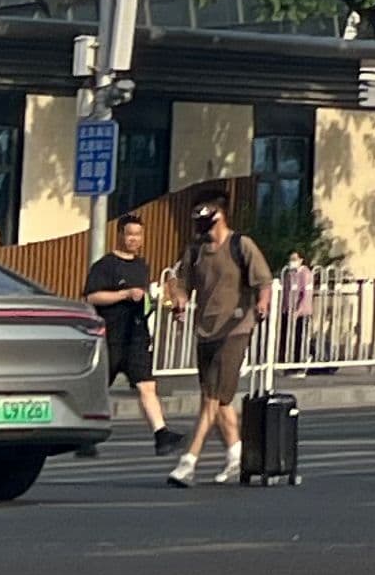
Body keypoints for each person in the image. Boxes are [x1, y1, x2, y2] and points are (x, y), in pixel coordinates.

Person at [165, 197, 271, 487]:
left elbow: (263, 281)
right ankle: (237, 455)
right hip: (206, 330)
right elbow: (184, 284)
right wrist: (180, 302)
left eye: (208, 224)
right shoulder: (195, 250)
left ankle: (188, 461)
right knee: (220, 398)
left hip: (235, 328)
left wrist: (262, 304)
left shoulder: (241, 245)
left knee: (210, 398)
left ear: (221, 217)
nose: (204, 231)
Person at [83, 211, 172, 452]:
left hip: (136, 336)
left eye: (138, 234)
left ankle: (161, 434)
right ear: (120, 235)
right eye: (129, 234)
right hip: (111, 335)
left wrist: (151, 300)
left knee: (146, 385)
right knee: (100, 388)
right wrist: (124, 294)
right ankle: (85, 437)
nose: (134, 239)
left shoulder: (142, 265)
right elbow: (92, 296)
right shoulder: (105, 265)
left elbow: (143, 296)